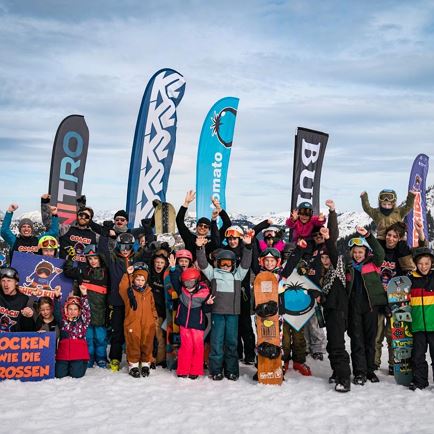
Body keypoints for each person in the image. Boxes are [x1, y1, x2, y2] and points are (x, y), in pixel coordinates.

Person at [196, 233, 252, 381]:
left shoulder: (237, 276)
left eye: (228, 264)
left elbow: (246, 264)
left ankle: (231, 370)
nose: (226, 266)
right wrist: (199, 247)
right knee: (217, 341)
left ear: (233, 264)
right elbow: (202, 264)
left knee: (232, 342)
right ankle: (216, 370)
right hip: (217, 314)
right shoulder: (213, 274)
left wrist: (247, 247)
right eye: (223, 263)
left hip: (233, 314)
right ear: (218, 264)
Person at [346, 226, 386, 385]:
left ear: (366, 253)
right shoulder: (349, 268)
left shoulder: (374, 264)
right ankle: (359, 373)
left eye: (360, 252)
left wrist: (368, 236)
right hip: (354, 308)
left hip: (370, 307)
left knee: (371, 340)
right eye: (355, 252)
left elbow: (380, 252)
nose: (357, 255)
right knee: (357, 341)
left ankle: (370, 371)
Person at [316, 227, 351, 392]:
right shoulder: (325, 274)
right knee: (332, 345)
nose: (325, 260)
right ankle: (337, 372)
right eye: (322, 257)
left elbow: (334, 252)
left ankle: (344, 379)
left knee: (337, 346)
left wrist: (328, 239)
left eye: (327, 257)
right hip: (330, 311)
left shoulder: (337, 269)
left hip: (339, 311)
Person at [64, 244, 109, 368]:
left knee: (100, 338)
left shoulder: (106, 272)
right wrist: (70, 258)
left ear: (100, 258)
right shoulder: (82, 271)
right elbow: (67, 271)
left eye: (95, 258)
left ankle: (101, 358)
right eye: (90, 259)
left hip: (101, 311)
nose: (93, 261)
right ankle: (88, 358)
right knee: (88, 338)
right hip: (86, 312)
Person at [119, 265, 157, 378]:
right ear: (134, 279)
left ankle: (146, 363)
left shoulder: (149, 292)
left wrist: (154, 318)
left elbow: (152, 306)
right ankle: (133, 365)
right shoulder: (129, 292)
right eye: (137, 279)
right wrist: (128, 274)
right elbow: (122, 287)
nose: (140, 282)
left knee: (147, 343)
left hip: (148, 322)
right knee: (133, 343)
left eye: (142, 280)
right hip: (132, 322)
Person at [175, 268, 213, 379]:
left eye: (191, 282)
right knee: (186, 347)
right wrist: (173, 269)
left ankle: (195, 370)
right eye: (186, 282)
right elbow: (174, 280)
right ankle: (183, 370)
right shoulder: (182, 291)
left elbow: (206, 310)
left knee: (197, 347)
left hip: (197, 325)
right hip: (184, 324)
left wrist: (208, 303)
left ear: (197, 281)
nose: (189, 285)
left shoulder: (204, 293)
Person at [408, 247, 434, 391]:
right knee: (418, 356)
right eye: (421, 263)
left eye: (427, 263)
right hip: (417, 325)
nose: (424, 266)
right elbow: (400, 298)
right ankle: (419, 381)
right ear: (416, 264)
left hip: (433, 325)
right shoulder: (410, 280)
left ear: (431, 263)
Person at [55, 285, 91, 378]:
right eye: (70, 309)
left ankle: (81, 364)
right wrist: (57, 297)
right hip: (64, 354)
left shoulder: (83, 321)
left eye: (75, 309)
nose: (72, 311)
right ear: (66, 309)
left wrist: (84, 295)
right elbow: (57, 312)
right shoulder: (62, 320)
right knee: (59, 375)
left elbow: (87, 311)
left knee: (76, 375)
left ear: (79, 311)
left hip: (78, 354)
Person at [175, 190, 217, 260]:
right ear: (197, 227)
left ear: (209, 229)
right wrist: (186, 203)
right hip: (190, 269)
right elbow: (179, 221)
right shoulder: (189, 238)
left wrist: (218, 209)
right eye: (200, 225)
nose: (202, 227)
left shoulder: (212, 240)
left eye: (206, 226)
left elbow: (227, 225)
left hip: (207, 270)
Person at [148, 249, 169, 367]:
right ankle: (152, 358)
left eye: (161, 263)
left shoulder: (166, 276)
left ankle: (161, 358)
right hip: (152, 311)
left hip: (164, 311)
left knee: (161, 336)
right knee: (153, 335)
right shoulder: (150, 274)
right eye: (157, 262)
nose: (159, 265)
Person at [0, 267, 35, 332]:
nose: (5, 284)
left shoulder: (25, 300)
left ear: (16, 282)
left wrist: (28, 317)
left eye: (9, 281)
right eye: (3, 281)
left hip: (13, 339)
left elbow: (29, 330)